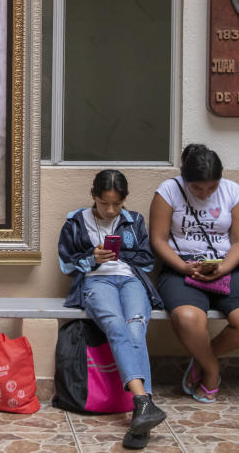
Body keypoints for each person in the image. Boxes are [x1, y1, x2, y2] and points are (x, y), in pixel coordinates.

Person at [149, 144, 239, 403]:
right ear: (184, 178)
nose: (204, 194)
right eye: (197, 188)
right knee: (189, 318)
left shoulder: (233, 192)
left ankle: (201, 359)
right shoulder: (168, 191)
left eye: (211, 187)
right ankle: (211, 369)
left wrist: (223, 268)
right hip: (181, 268)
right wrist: (182, 266)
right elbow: (157, 240)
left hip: (223, 266)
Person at [58, 170, 167, 450]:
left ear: (124, 200)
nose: (110, 210)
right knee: (116, 326)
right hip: (96, 281)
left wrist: (123, 257)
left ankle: (142, 412)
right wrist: (91, 259)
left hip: (130, 280)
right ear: (93, 196)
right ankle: (144, 403)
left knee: (135, 326)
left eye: (116, 204)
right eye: (104, 202)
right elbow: (67, 265)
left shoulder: (134, 221)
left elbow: (146, 262)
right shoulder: (75, 221)